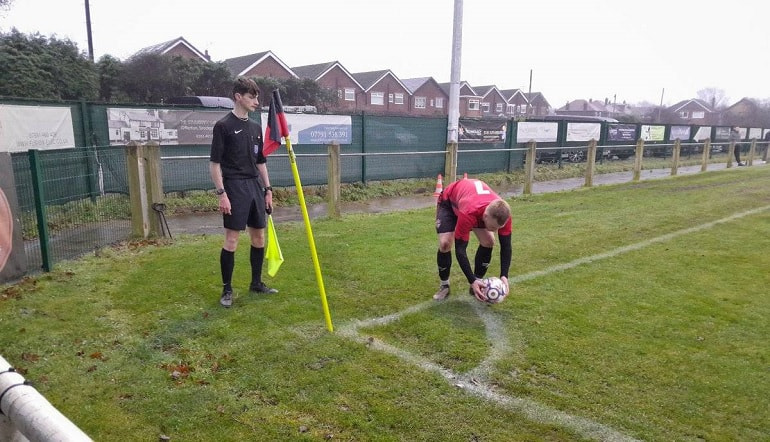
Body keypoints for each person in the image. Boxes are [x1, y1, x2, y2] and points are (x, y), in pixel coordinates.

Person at [210, 77, 278, 308]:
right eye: (252, 97)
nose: (256, 101)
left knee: (259, 237)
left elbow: (261, 163)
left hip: (254, 187)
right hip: (234, 187)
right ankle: (227, 289)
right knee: (232, 239)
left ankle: (256, 283)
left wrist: (268, 190)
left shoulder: (256, 128)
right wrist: (222, 193)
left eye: (257, 97)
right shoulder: (223, 126)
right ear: (238, 97)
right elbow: (215, 164)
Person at [433, 177, 512, 301]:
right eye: (492, 227)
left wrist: (504, 275)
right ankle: (445, 286)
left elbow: (506, 246)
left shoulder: (504, 215)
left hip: (470, 202)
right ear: (485, 216)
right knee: (445, 243)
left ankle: (478, 282)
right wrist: (471, 280)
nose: (495, 230)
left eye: (497, 228)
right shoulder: (469, 213)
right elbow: (460, 250)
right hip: (449, 202)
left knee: (489, 241)